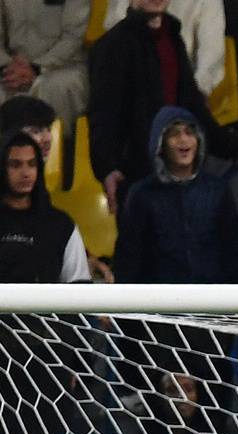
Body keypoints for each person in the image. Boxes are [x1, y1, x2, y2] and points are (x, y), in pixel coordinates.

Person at [86, 0, 224, 212]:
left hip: (176, 171)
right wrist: (107, 168)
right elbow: (103, 116)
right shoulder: (112, 45)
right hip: (136, 175)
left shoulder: (173, 37)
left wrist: (233, 147)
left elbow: (193, 105)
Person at [0, 128, 85, 281]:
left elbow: (80, 286)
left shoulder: (61, 225)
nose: (25, 173)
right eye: (15, 165)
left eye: (32, 164)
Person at [0, 0, 88, 128]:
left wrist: (37, 67)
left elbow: (73, 37)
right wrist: (7, 66)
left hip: (65, 65)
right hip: (13, 66)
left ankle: (54, 145)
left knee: (54, 87)